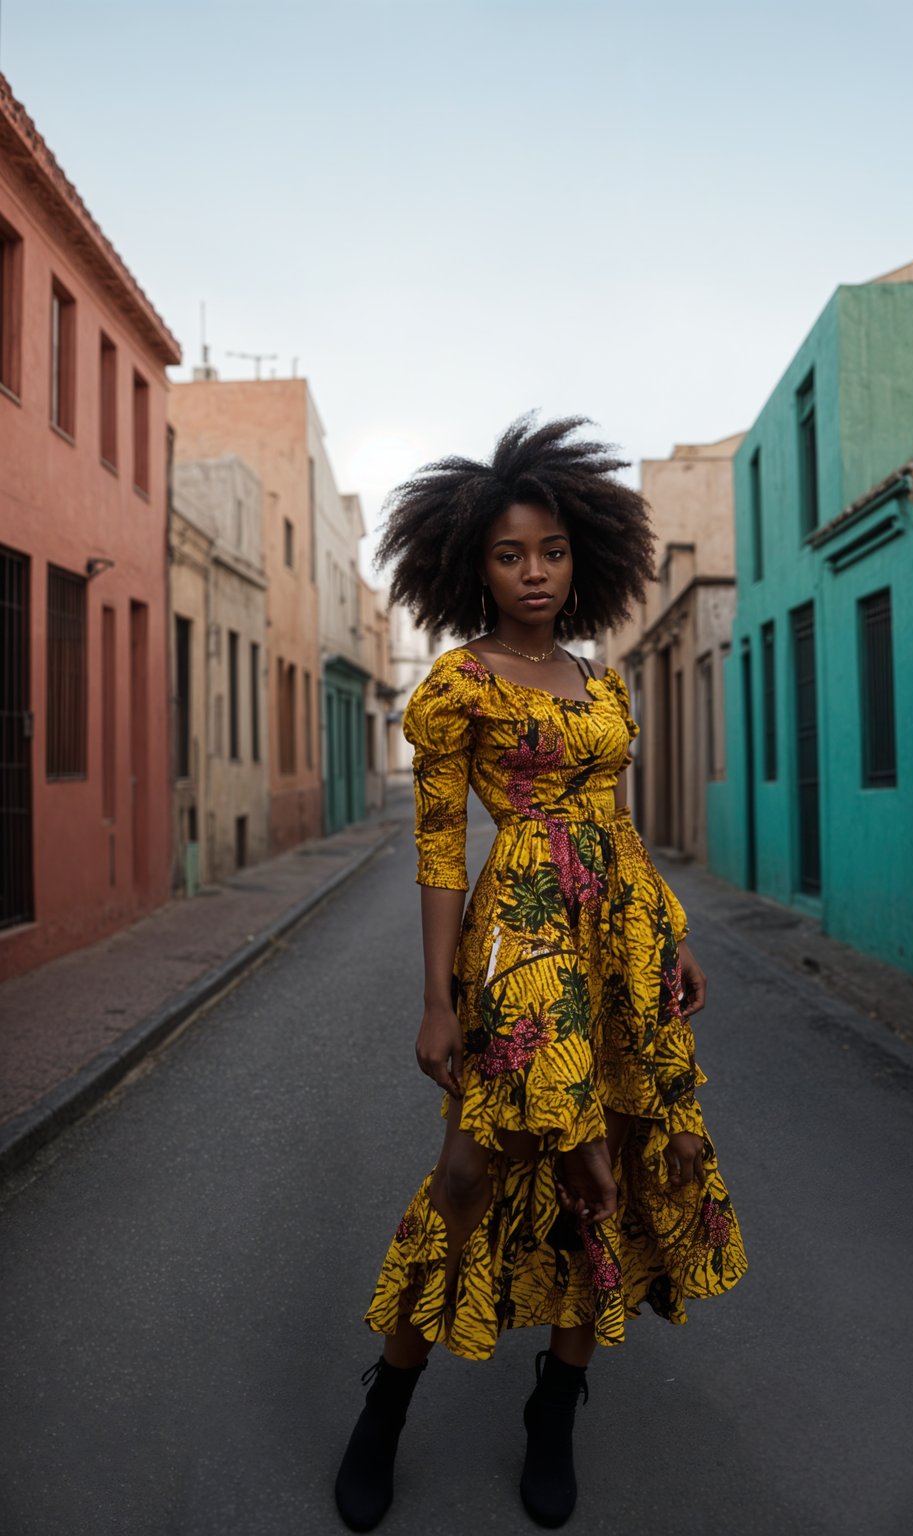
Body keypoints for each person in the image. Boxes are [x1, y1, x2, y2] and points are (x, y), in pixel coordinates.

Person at [334, 415, 746, 1531]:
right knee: (470, 1171)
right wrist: (433, 998)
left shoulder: (600, 682)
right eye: (510, 554)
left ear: (584, 556)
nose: (533, 573)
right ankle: (390, 1401)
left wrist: (673, 929)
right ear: (471, 563)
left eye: (552, 551)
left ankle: (556, 1402)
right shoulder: (459, 685)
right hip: (518, 933)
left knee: (605, 1157)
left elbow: (620, 824)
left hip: (622, 940)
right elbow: (435, 848)